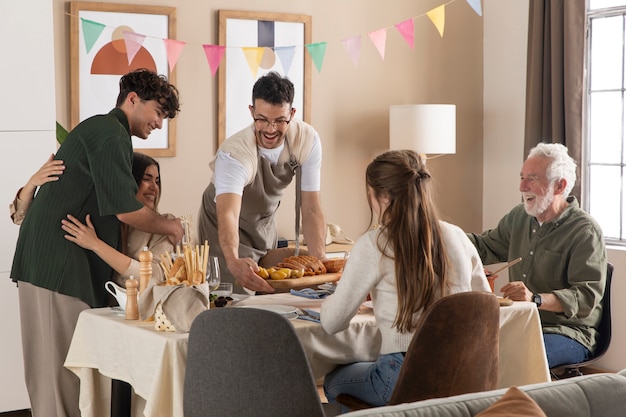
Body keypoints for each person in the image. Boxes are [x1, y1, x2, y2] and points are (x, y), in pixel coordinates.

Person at [10, 69, 183, 417]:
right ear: (133, 99)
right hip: (56, 268)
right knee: (57, 377)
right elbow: (125, 210)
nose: (159, 124)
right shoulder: (109, 133)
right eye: (158, 113)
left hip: (59, 266)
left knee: (65, 376)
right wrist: (171, 225)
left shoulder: (108, 133)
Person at [320, 150, 490, 406]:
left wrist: (335, 294)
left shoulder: (374, 245)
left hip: (403, 377)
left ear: (384, 196)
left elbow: (332, 323)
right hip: (464, 375)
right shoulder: (457, 236)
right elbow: (485, 303)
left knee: (333, 381)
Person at [467, 142, 607, 369]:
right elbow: (484, 247)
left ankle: (519, 404)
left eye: (531, 178)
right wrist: (442, 235)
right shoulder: (518, 217)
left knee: (513, 361)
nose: (522, 187)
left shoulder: (585, 231)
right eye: (522, 177)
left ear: (559, 186)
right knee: (466, 349)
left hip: (569, 332)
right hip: (521, 323)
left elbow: (585, 297)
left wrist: (534, 298)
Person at [198, 71, 327, 293]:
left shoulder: (307, 141)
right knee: (233, 299)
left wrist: (319, 258)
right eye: (262, 120)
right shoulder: (235, 154)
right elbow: (227, 213)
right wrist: (232, 260)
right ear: (252, 112)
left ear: (292, 114)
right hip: (224, 227)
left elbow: (311, 207)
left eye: (279, 121)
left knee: (273, 297)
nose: (270, 129)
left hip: (263, 225)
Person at [13, 152, 175, 286]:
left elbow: (155, 275)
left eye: (157, 181)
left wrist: (96, 245)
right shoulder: (101, 218)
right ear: (126, 182)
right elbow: (26, 219)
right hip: (98, 309)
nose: (154, 187)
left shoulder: (165, 225)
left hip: (143, 314)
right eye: (146, 179)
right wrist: (32, 183)